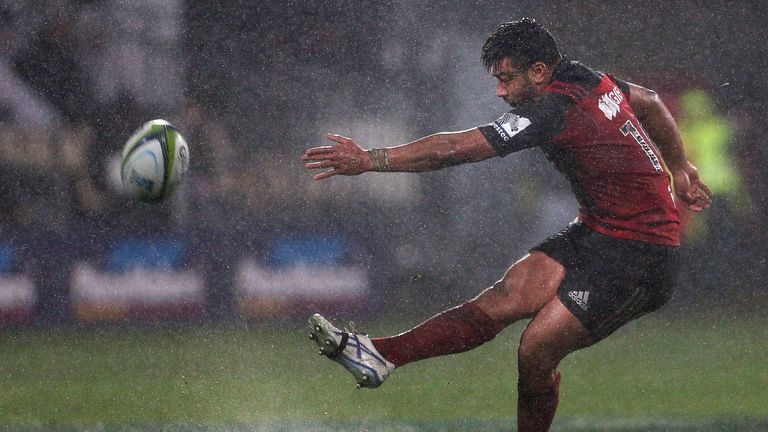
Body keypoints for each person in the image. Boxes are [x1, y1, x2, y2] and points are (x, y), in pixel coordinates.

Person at [301, 18, 712, 432]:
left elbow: (452, 150)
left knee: (535, 348)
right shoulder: (584, 78)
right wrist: (680, 168)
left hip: (643, 256)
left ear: (539, 71)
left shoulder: (552, 109)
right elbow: (650, 100)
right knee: (507, 296)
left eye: (507, 79)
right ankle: (379, 355)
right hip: (599, 232)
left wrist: (371, 159)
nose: (501, 92)